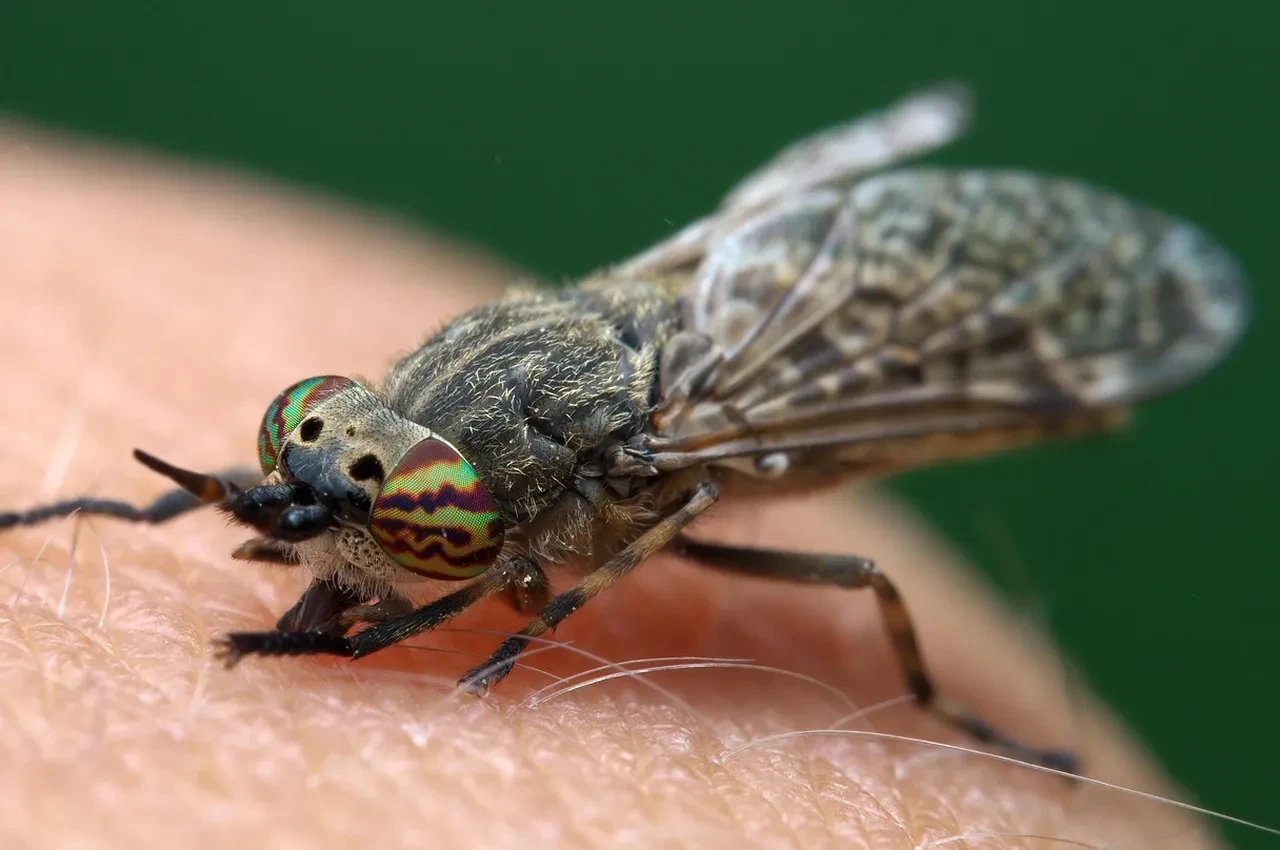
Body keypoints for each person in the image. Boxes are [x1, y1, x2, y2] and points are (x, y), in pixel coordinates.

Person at [0, 126, 1218, 849]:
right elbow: (369, 501)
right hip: (663, 334)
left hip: (770, 393)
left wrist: (542, 618)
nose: (324, 479)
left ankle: (936, 705)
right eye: (309, 440)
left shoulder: (627, 461)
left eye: (402, 506)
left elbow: (672, 509)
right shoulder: (444, 457)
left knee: (862, 569)